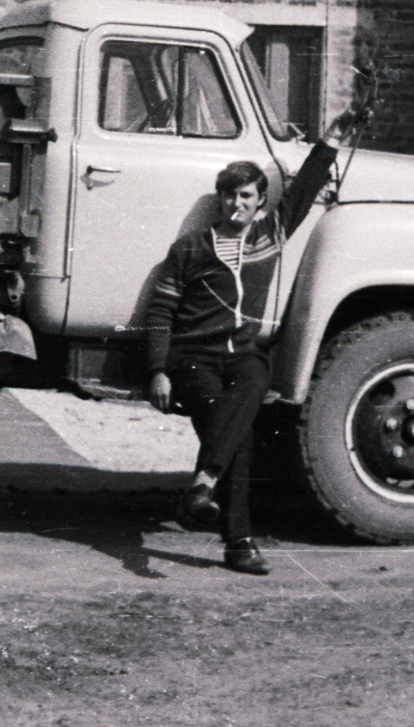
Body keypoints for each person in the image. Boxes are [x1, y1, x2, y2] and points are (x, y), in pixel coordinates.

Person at [143, 113, 358, 575]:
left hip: (243, 356)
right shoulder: (191, 249)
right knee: (237, 434)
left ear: (260, 203)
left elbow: (302, 193)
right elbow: (160, 312)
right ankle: (237, 543)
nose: (235, 204)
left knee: (255, 378)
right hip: (193, 358)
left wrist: (333, 139)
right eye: (229, 195)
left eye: (245, 196)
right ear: (219, 199)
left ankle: (206, 482)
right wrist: (159, 369)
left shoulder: (269, 236)